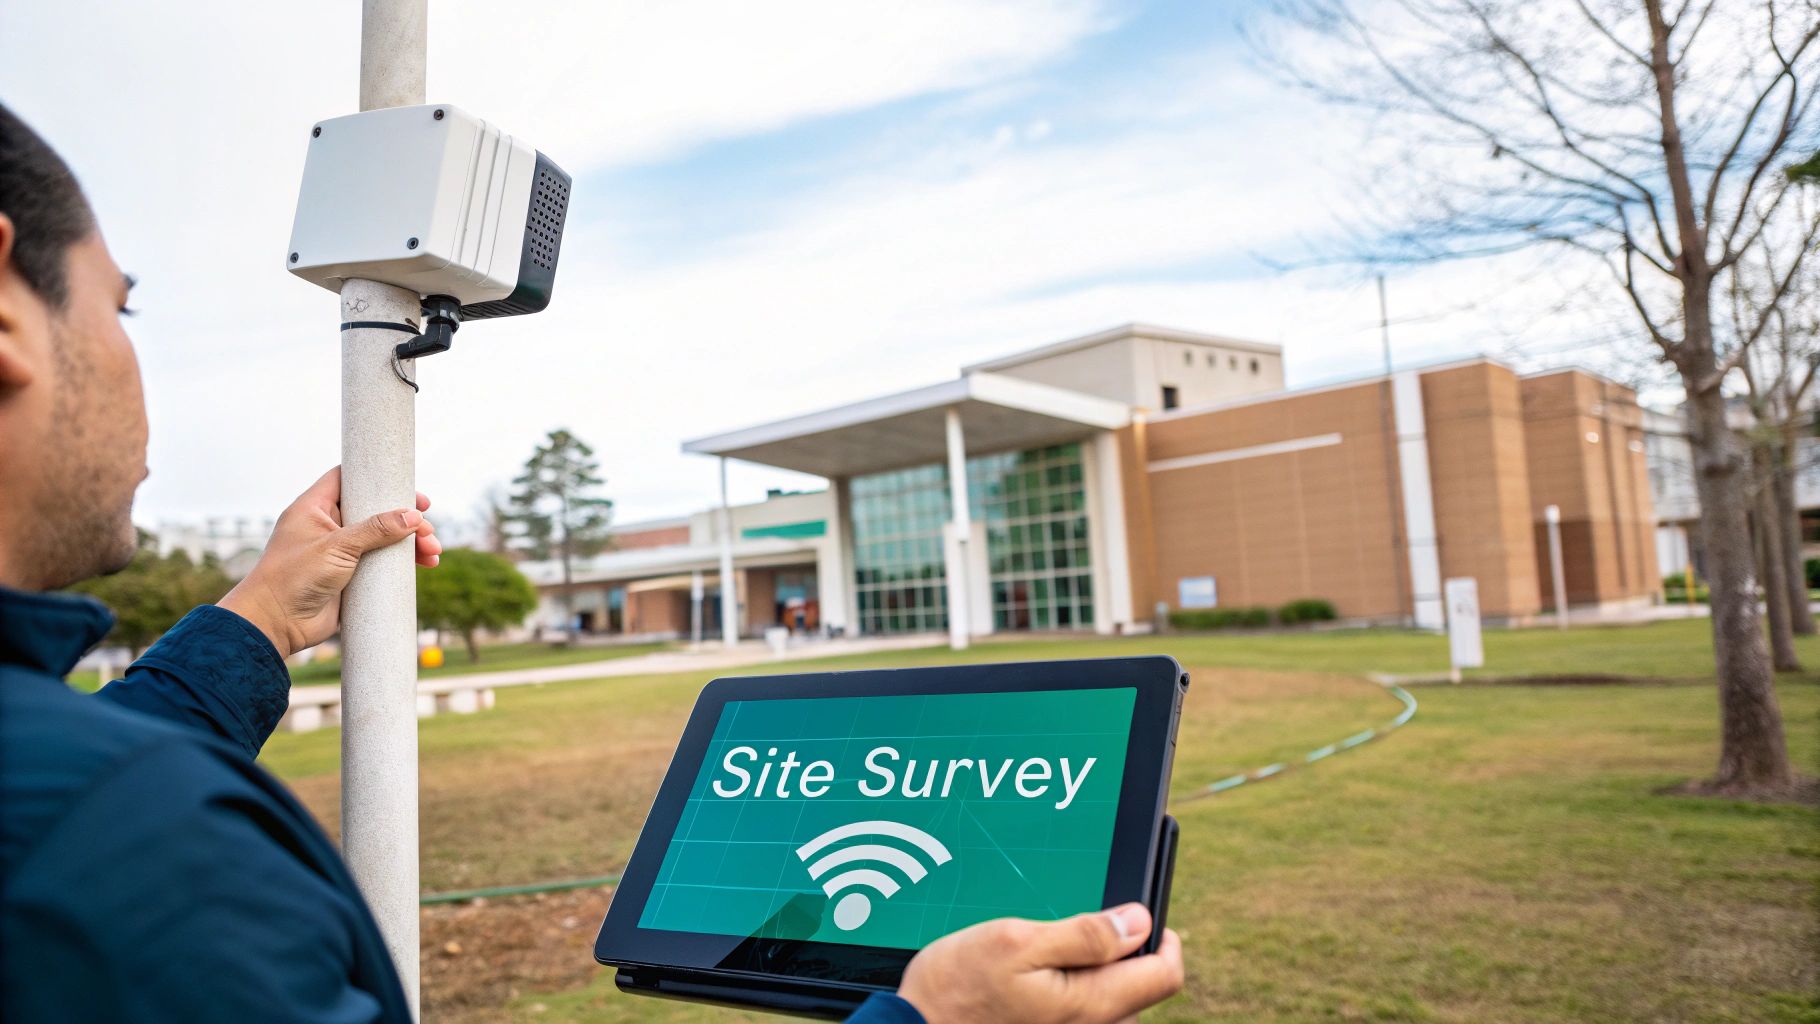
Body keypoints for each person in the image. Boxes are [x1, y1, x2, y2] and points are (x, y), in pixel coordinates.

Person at [0, 104, 1184, 1023]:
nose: (131, 356)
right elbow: (74, 811)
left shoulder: (69, 797)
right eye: (123, 310)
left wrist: (257, 619)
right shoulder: (122, 845)